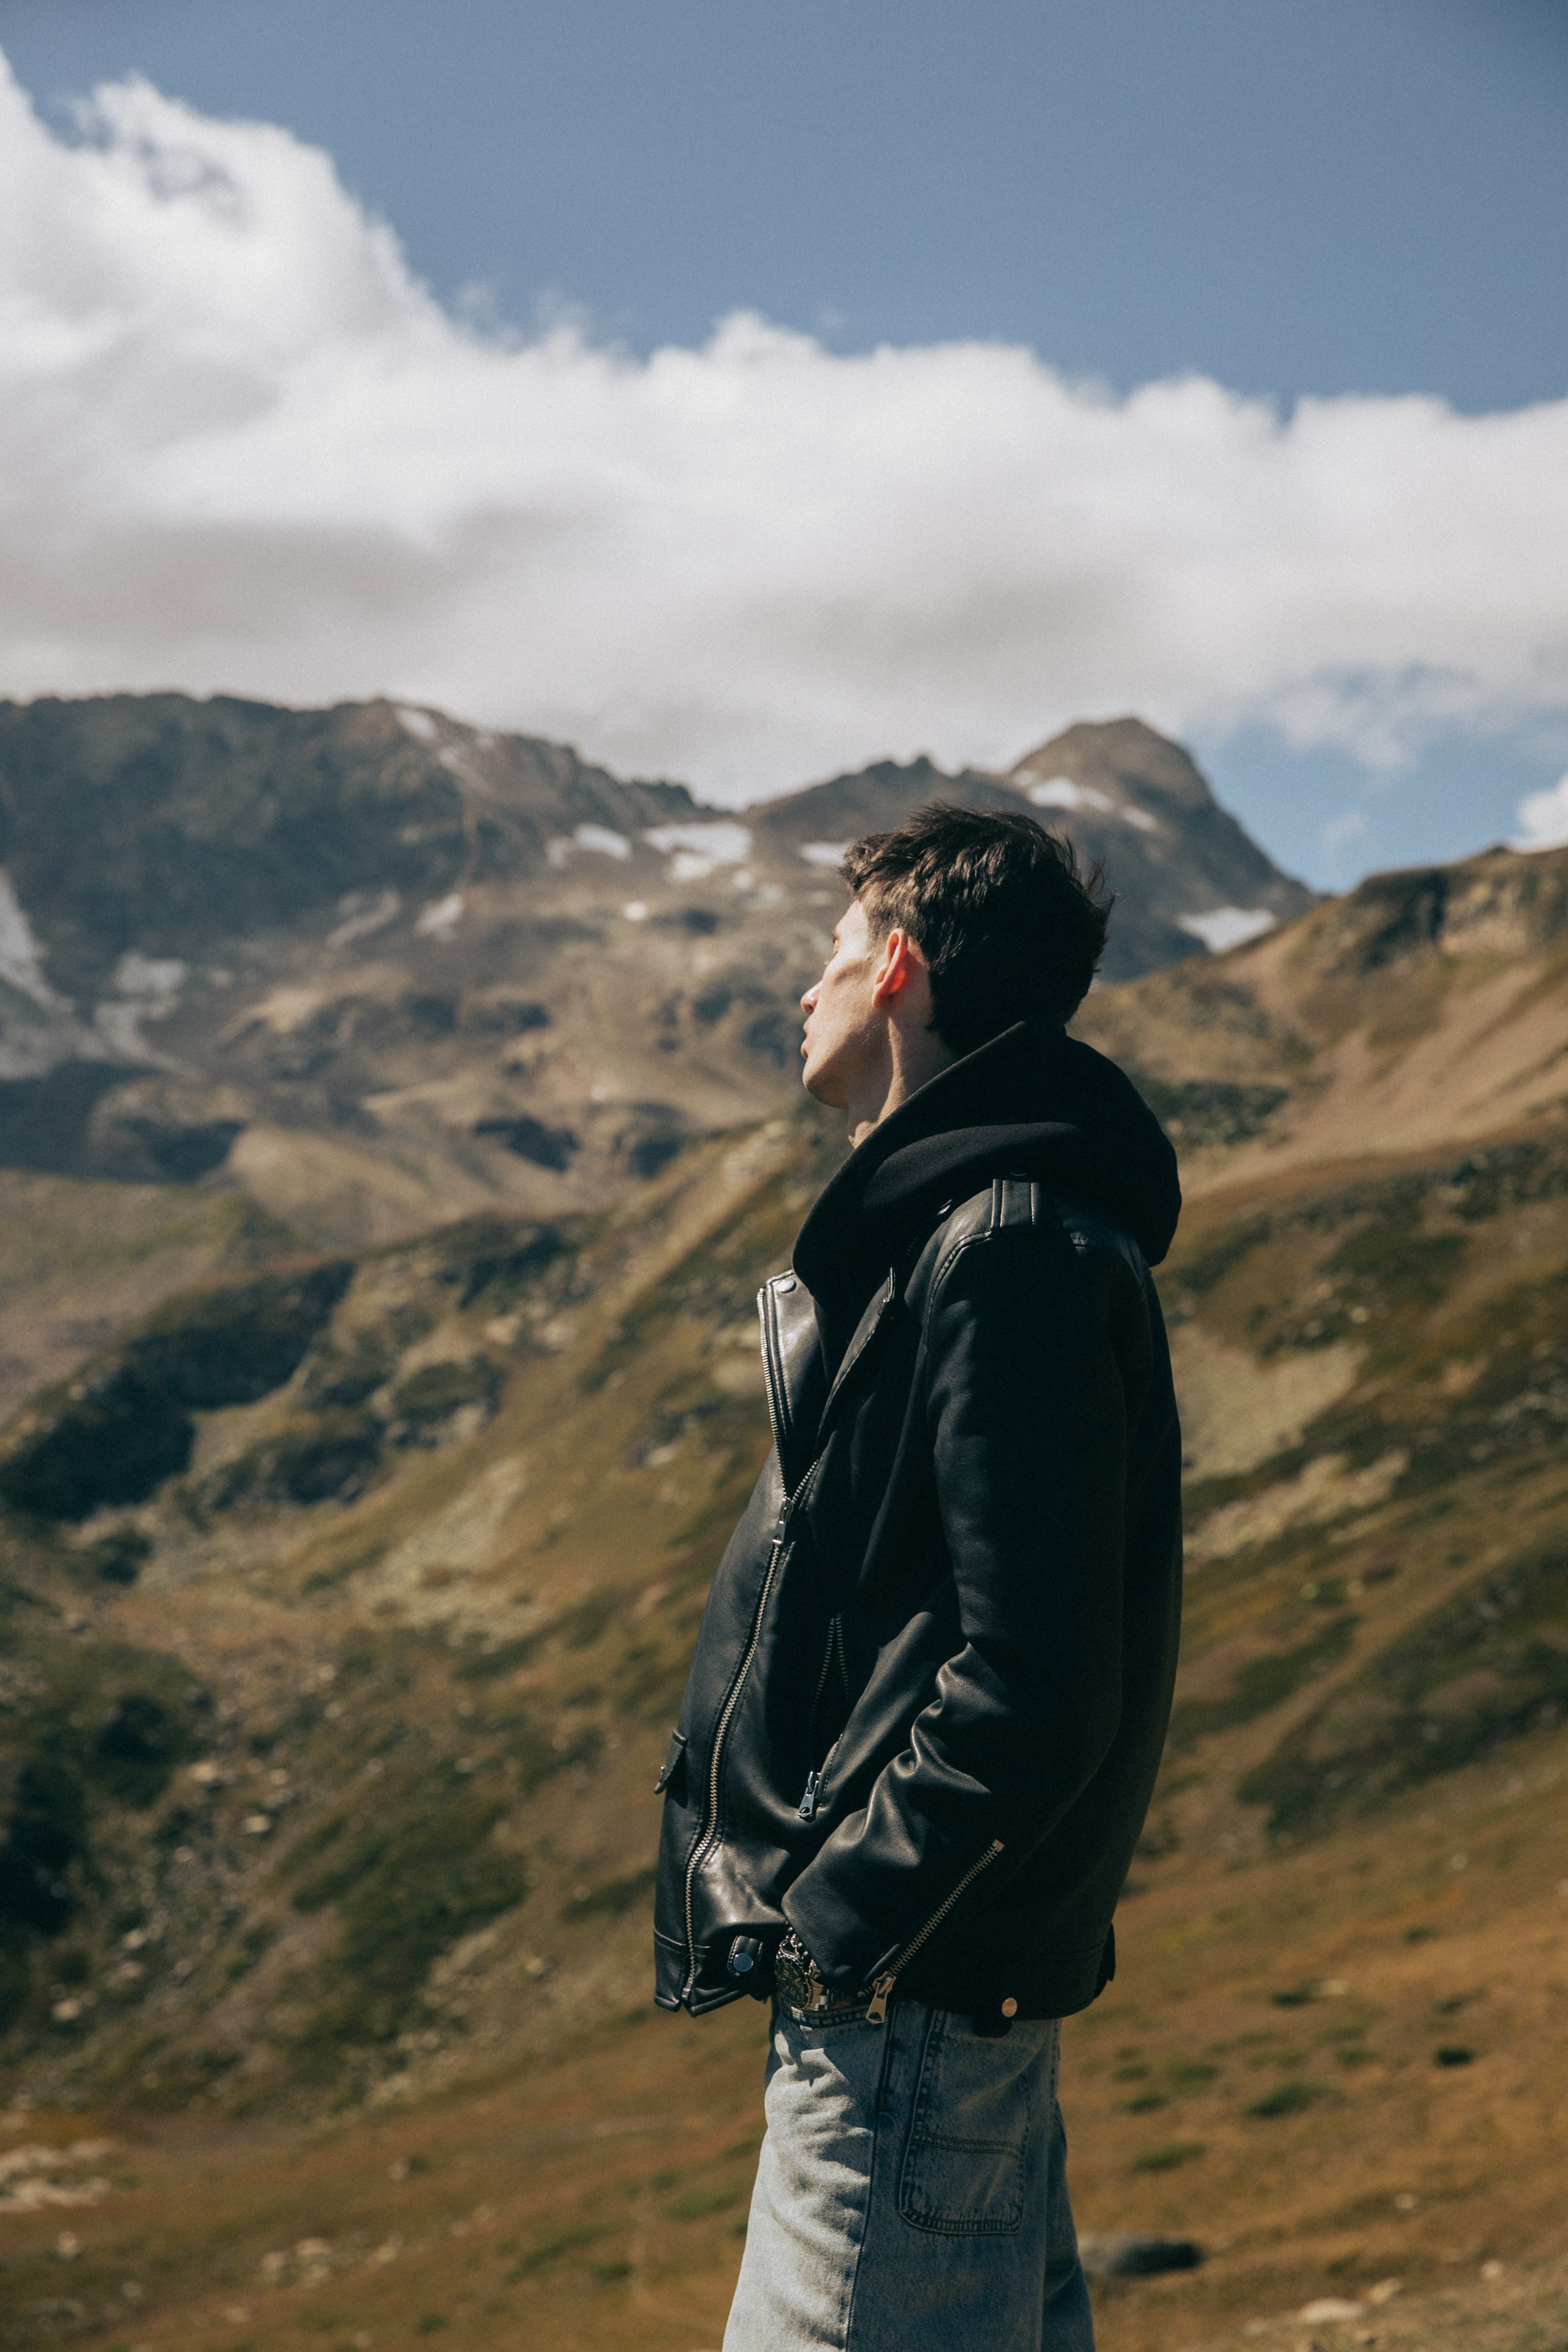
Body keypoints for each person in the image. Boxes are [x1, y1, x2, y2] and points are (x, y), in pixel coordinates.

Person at [652, 804, 1183, 2352]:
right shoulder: (980, 1232)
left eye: (825, 959)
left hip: (902, 2018)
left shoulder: (999, 1247)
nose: (798, 995)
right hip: (930, 2007)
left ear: (895, 971)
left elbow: (1033, 1679)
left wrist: (845, 1927)